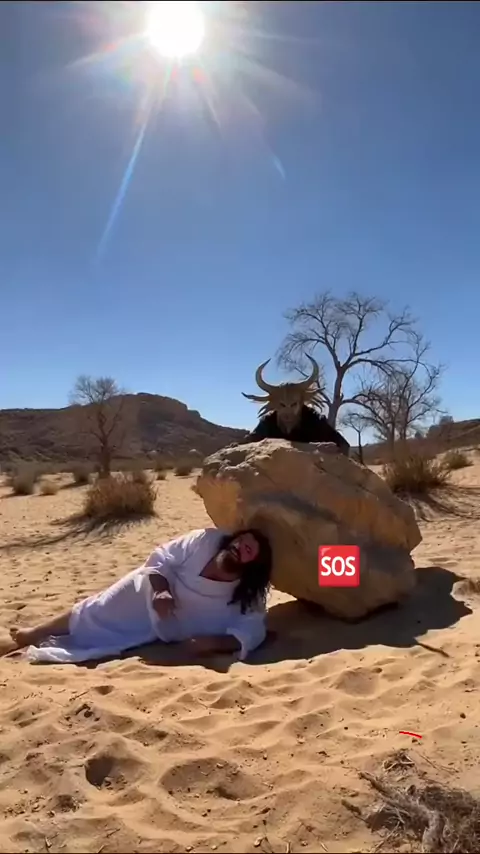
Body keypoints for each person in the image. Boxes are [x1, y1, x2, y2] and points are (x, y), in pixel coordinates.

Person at [7, 527, 273, 665]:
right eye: (241, 541)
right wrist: (161, 590)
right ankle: (36, 633)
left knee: (118, 643)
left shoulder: (247, 594)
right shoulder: (205, 541)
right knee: (97, 608)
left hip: (171, 628)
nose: (239, 547)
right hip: (148, 591)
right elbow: (160, 558)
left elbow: (254, 629)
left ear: (253, 564)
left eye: (248, 550)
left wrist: (214, 642)